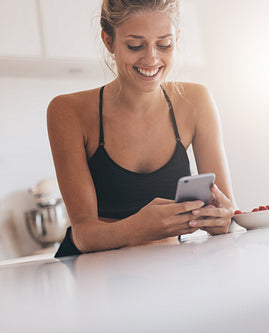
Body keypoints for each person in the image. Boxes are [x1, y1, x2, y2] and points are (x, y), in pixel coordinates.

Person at [47, 0, 237, 258]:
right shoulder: (68, 111)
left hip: (168, 271)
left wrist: (222, 218)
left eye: (164, 44)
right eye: (135, 45)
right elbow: (83, 234)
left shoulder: (196, 101)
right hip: (95, 277)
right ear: (108, 41)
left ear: (176, 39)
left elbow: (227, 212)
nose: (151, 58)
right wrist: (138, 227)